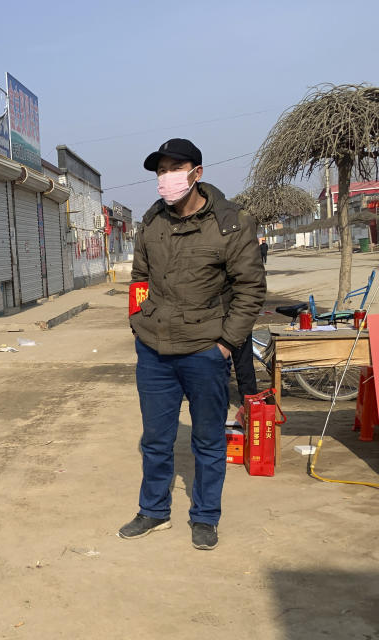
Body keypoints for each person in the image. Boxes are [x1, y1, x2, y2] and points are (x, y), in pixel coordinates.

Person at [120, 139, 266, 550]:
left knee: (206, 439)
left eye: (174, 168)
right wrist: (138, 324)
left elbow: (250, 290)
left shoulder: (231, 223)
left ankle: (204, 516)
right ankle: (153, 511)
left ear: (196, 173)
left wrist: (225, 343)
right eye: (160, 170)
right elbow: (139, 280)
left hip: (205, 349)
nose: (166, 177)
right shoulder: (151, 222)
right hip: (154, 351)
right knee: (155, 439)